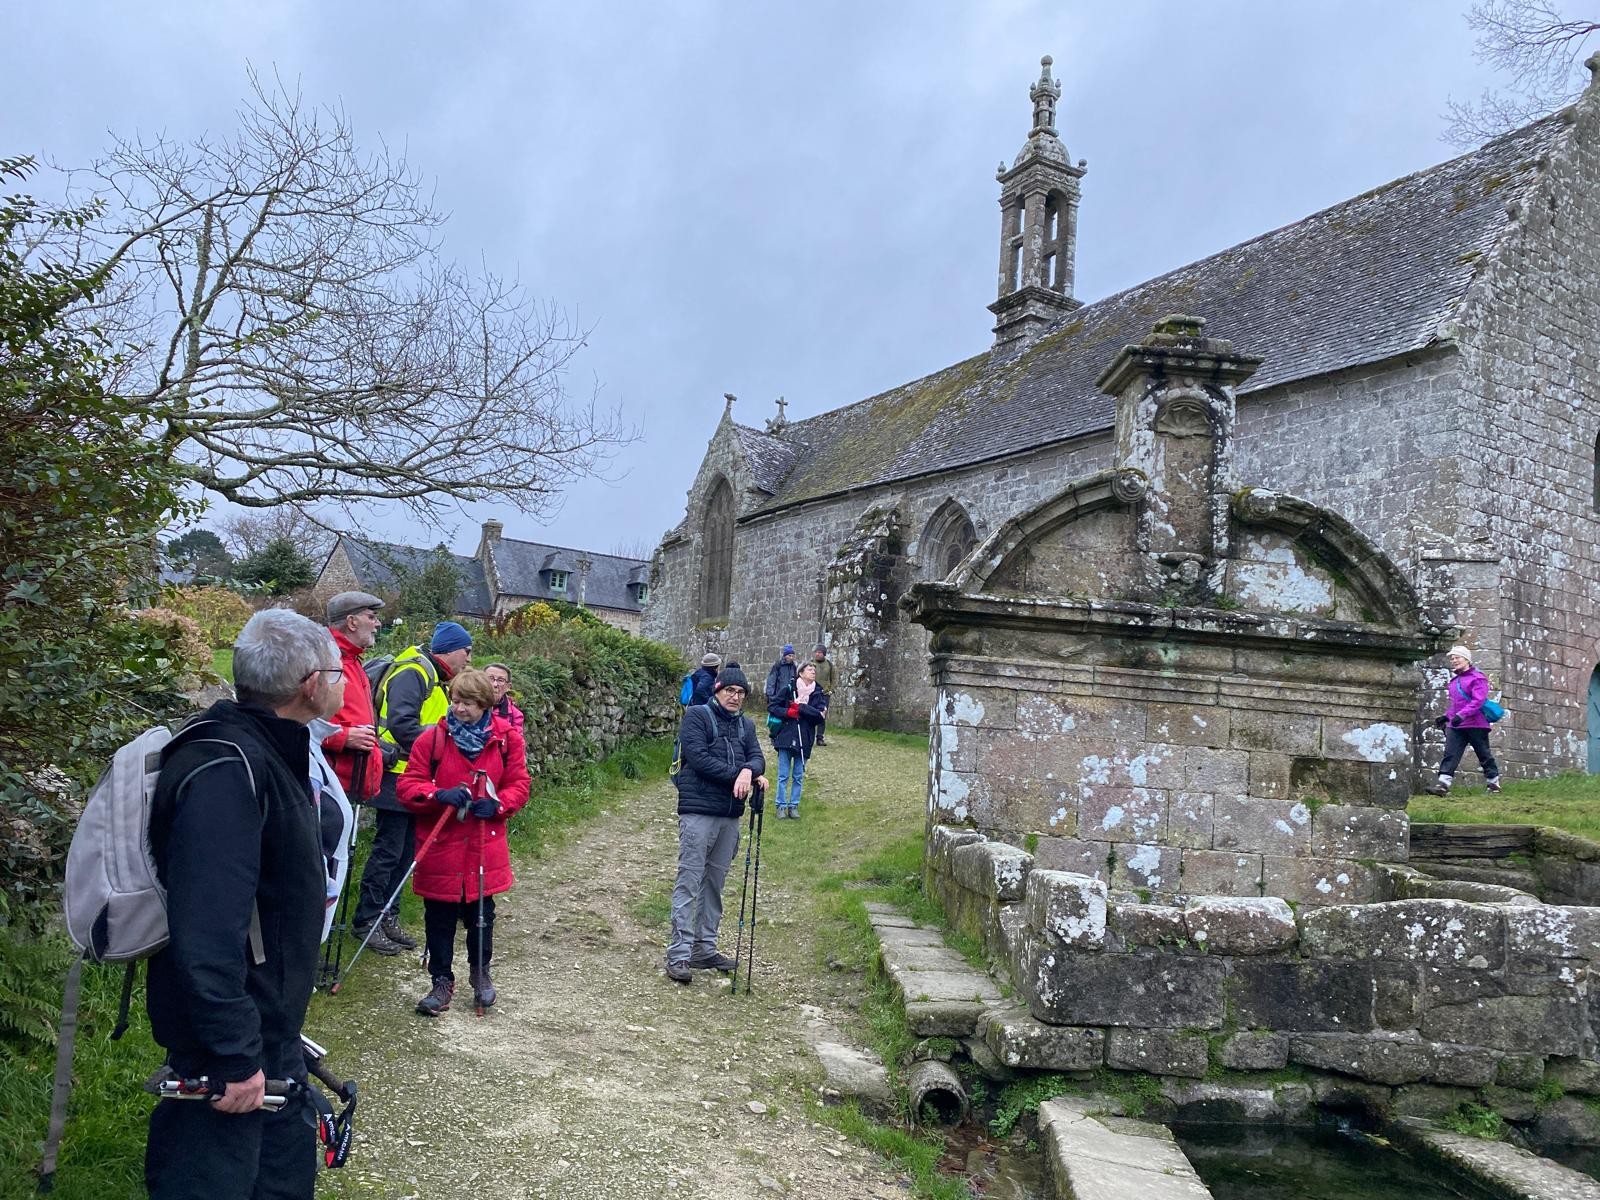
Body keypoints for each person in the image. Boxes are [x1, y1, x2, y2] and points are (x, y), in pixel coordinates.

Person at [144, 609, 334, 1199]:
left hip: (266, 1029)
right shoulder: (226, 767)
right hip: (228, 1043)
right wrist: (234, 1056)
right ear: (309, 684)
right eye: (334, 672)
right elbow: (205, 929)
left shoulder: (265, 747)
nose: (343, 682)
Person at [397, 668, 530, 1015]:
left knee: (482, 915)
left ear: (485, 704)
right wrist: (437, 794)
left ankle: (480, 974)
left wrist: (499, 805)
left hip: (484, 845)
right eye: (455, 700)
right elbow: (408, 786)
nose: (459, 709)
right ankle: (441, 981)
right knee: (437, 917)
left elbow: (519, 783)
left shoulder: (506, 740)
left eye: (468, 703)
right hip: (441, 843)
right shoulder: (432, 740)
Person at [353, 620, 473, 955]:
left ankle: (386, 916)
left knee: (405, 853)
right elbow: (402, 725)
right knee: (388, 850)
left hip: (413, 775)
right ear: (449, 649)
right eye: (466, 650)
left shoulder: (432, 675)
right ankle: (366, 920)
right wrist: (447, 741)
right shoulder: (414, 672)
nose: (468, 658)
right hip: (396, 776)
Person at [666, 665, 767, 984]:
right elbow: (697, 758)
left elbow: (758, 757)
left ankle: (704, 948)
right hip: (698, 810)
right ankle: (678, 954)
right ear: (718, 691)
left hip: (729, 814)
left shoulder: (746, 726)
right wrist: (741, 773)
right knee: (690, 880)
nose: (736, 697)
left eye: (741, 693)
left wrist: (750, 770)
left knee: (715, 883)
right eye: (730, 691)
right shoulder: (697, 715)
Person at [321, 591, 396, 942]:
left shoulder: (354, 661)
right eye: (371, 616)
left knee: (338, 868)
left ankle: (324, 938)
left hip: (352, 782)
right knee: (324, 871)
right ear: (352, 621)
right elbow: (298, 719)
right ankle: (313, 944)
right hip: (330, 785)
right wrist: (342, 739)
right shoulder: (328, 660)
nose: (377, 622)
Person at [1429, 644, 1502, 796]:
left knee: (1483, 754)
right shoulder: (1454, 681)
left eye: (1458, 658)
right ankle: (1443, 784)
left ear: (1467, 659)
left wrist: (1462, 715)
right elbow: (1456, 704)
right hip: (1457, 725)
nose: (1454, 661)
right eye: (1452, 658)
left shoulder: (1478, 678)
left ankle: (1493, 783)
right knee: (1450, 753)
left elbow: (1478, 700)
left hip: (1476, 724)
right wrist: (1446, 717)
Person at [768, 661, 827, 819]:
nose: (813, 672)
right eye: (810, 669)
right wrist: (788, 712)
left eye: (814, 669)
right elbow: (773, 706)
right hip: (786, 736)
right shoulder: (789, 688)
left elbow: (819, 716)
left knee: (798, 775)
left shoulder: (818, 692)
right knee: (783, 775)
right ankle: (780, 805)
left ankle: (794, 806)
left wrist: (801, 708)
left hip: (805, 738)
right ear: (801, 673)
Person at [484, 662, 525, 735]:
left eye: (500, 680)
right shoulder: (468, 704)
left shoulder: (515, 715)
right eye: (490, 678)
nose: (495, 684)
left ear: (508, 687)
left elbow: (516, 743)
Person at [810, 644, 836, 745]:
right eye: (816, 652)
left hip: (824, 694)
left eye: (820, 652)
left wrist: (831, 690)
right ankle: (809, 737)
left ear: (824, 654)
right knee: (810, 715)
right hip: (812, 693)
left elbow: (834, 678)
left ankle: (820, 738)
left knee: (822, 716)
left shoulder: (829, 664)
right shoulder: (810, 664)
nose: (817, 654)